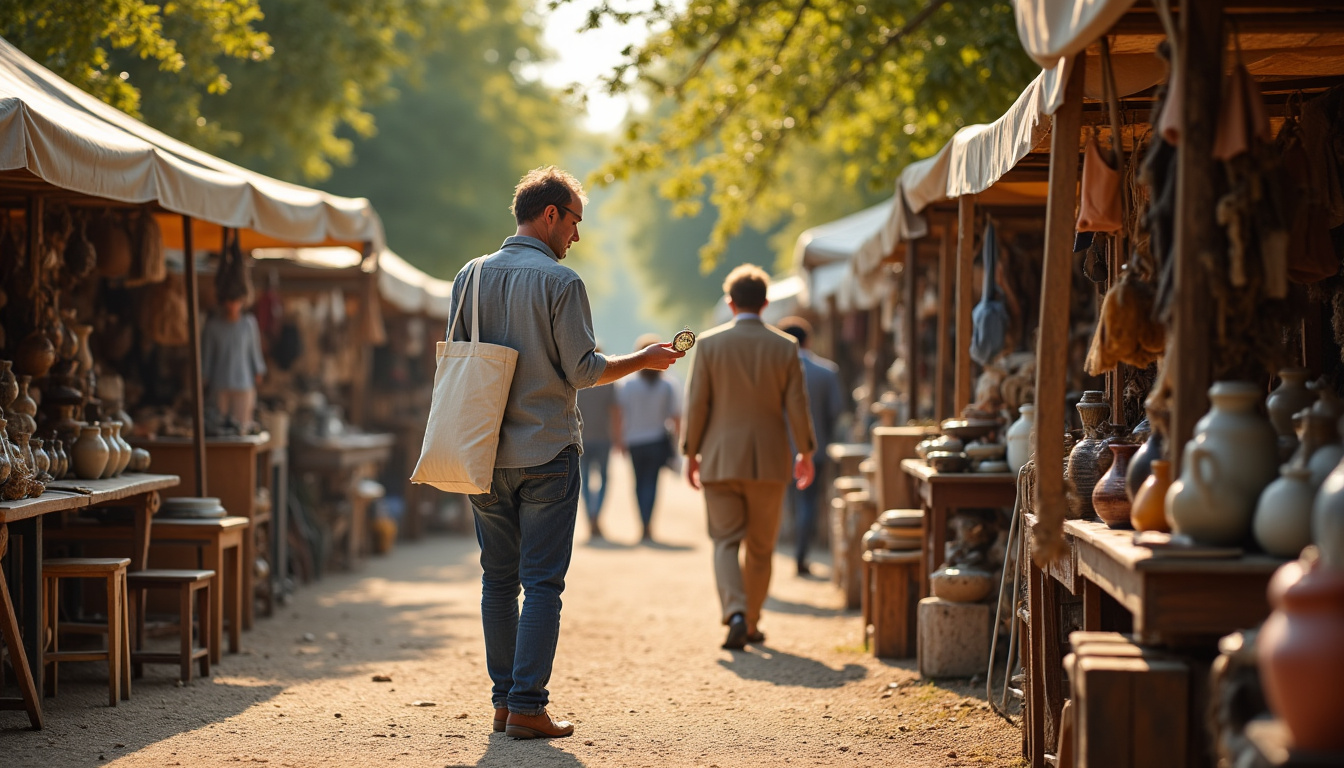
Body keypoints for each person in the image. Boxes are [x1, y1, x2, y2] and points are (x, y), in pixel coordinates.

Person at [447, 166, 684, 739]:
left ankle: (504, 702)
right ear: (550, 214)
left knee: (497, 581)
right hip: (547, 450)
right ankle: (528, 705)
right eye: (575, 221)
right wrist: (643, 361)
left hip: (481, 452)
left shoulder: (469, 276)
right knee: (543, 582)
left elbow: (458, 356)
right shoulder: (561, 283)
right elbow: (583, 370)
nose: (577, 236)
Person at [682, 264, 816, 650]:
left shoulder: (708, 344)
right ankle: (753, 622)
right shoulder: (785, 347)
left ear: (730, 303)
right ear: (766, 303)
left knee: (725, 541)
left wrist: (691, 453)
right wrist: (805, 451)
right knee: (761, 547)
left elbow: (698, 404)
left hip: (720, 460)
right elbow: (797, 405)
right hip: (770, 462)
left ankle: (735, 612)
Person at [777, 317, 844, 577]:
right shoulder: (826, 372)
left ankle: (785, 543)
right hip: (814, 449)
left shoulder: (774, 372)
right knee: (808, 502)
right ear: (809, 340)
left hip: (780, 448)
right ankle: (801, 553)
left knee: (785, 501)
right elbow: (836, 411)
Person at [616, 333, 682, 543]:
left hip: (634, 440)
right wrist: (677, 441)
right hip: (656, 440)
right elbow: (676, 416)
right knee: (652, 483)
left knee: (638, 483)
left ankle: (642, 523)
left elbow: (620, 413)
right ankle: (648, 523)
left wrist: (620, 439)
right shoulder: (668, 385)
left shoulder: (628, 384)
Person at [200, 294, 266, 432]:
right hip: (220, 384)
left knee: (242, 427)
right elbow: (206, 356)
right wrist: (203, 377)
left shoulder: (248, 324)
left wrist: (258, 371)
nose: (232, 306)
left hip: (243, 384)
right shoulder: (213, 326)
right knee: (217, 426)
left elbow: (254, 350)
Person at [576, 370, 621, 540]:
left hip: (582, 438)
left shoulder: (577, 382)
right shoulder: (609, 382)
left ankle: (590, 516)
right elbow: (615, 411)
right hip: (604, 438)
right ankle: (596, 514)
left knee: (585, 480)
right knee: (604, 479)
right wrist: (618, 437)